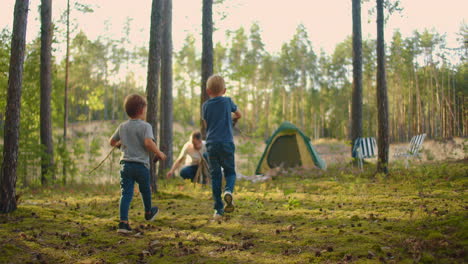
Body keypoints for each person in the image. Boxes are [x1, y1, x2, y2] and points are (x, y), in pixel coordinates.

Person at [109, 94, 166, 233]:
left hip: (126, 165)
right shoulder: (146, 126)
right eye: (145, 110)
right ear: (141, 110)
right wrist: (159, 153)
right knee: (145, 189)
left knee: (126, 193)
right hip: (141, 166)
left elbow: (111, 142)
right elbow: (148, 142)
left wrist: (121, 144)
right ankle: (148, 212)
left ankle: (123, 223)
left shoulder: (122, 127)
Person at [202, 75, 242, 220]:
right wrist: (231, 120)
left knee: (215, 175)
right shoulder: (227, 101)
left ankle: (218, 210)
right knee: (230, 172)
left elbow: (207, 125)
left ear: (208, 91)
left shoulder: (205, 106)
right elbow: (239, 114)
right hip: (226, 142)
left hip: (211, 143)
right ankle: (228, 191)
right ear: (224, 90)